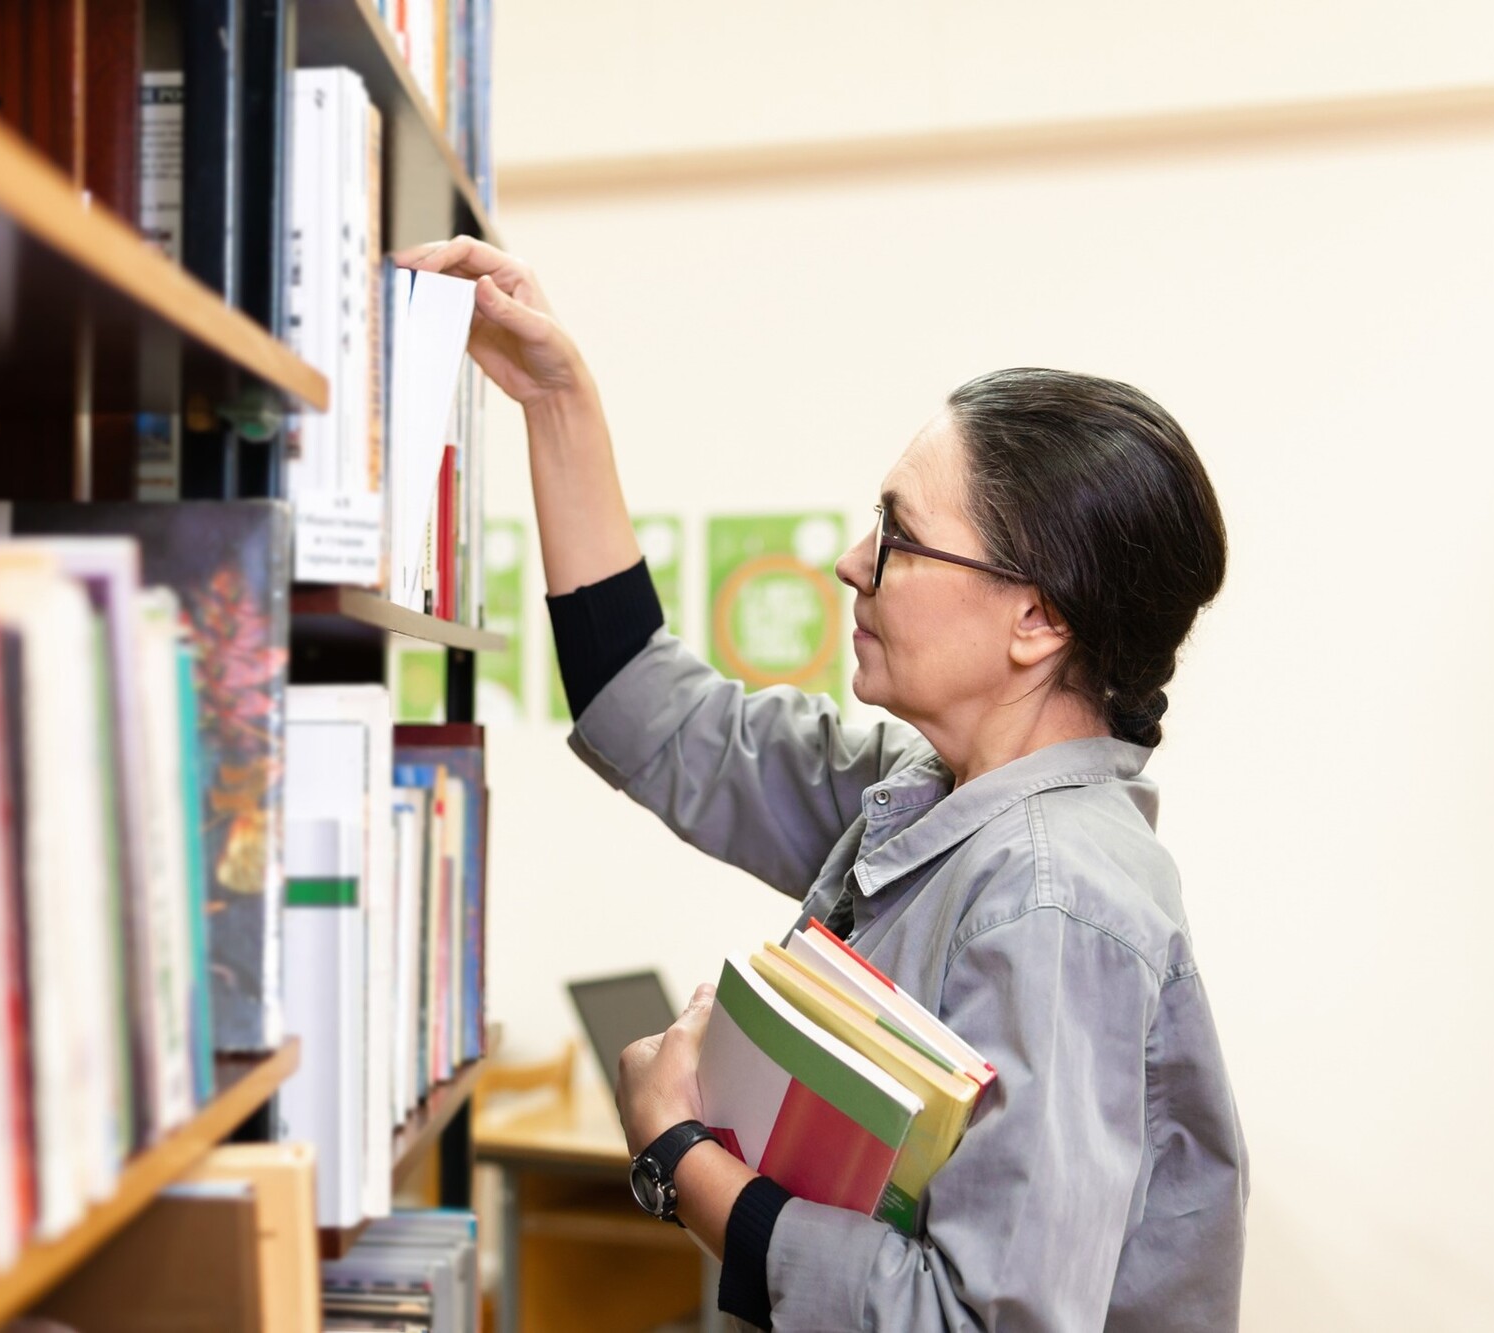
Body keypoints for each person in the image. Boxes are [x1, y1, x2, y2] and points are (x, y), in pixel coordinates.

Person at [398, 237, 1249, 1332]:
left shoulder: (1050, 900)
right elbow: (648, 710)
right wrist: (555, 400)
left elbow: (976, 1324)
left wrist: (679, 1158)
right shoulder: (925, 795)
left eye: (898, 535)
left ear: (1036, 621)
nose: (852, 560)